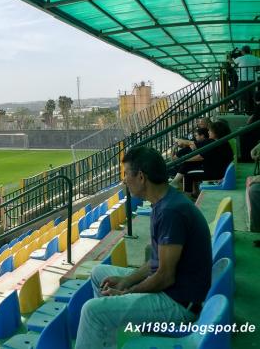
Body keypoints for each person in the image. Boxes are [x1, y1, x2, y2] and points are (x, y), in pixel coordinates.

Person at [75, 146, 212, 349]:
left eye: (126, 174)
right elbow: (155, 264)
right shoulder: (163, 203)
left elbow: (165, 276)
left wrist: (128, 291)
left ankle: (103, 319)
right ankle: (103, 340)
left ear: (140, 177)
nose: (123, 180)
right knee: (99, 272)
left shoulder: (170, 212)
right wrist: (125, 281)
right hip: (172, 290)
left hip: (179, 304)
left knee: (92, 311)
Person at [182, 120, 234, 197]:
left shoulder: (215, 144)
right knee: (190, 169)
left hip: (215, 173)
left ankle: (187, 198)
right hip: (217, 171)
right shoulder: (222, 143)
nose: (208, 132)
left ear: (216, 133)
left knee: (188, 174)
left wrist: (184, 159)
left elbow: (201, 157)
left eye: (210, 131)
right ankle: (195, 193)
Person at [233, 45, 260, 113]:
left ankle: (242, 110)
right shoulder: (256, 58)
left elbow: (232, 63)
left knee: (241, 96)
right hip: (253, 79)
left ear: (243, 51)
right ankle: (255, 110)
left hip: (242, 80)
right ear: (249, 51)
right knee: (254, 96)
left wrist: (230, 58)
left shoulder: (241, 58)